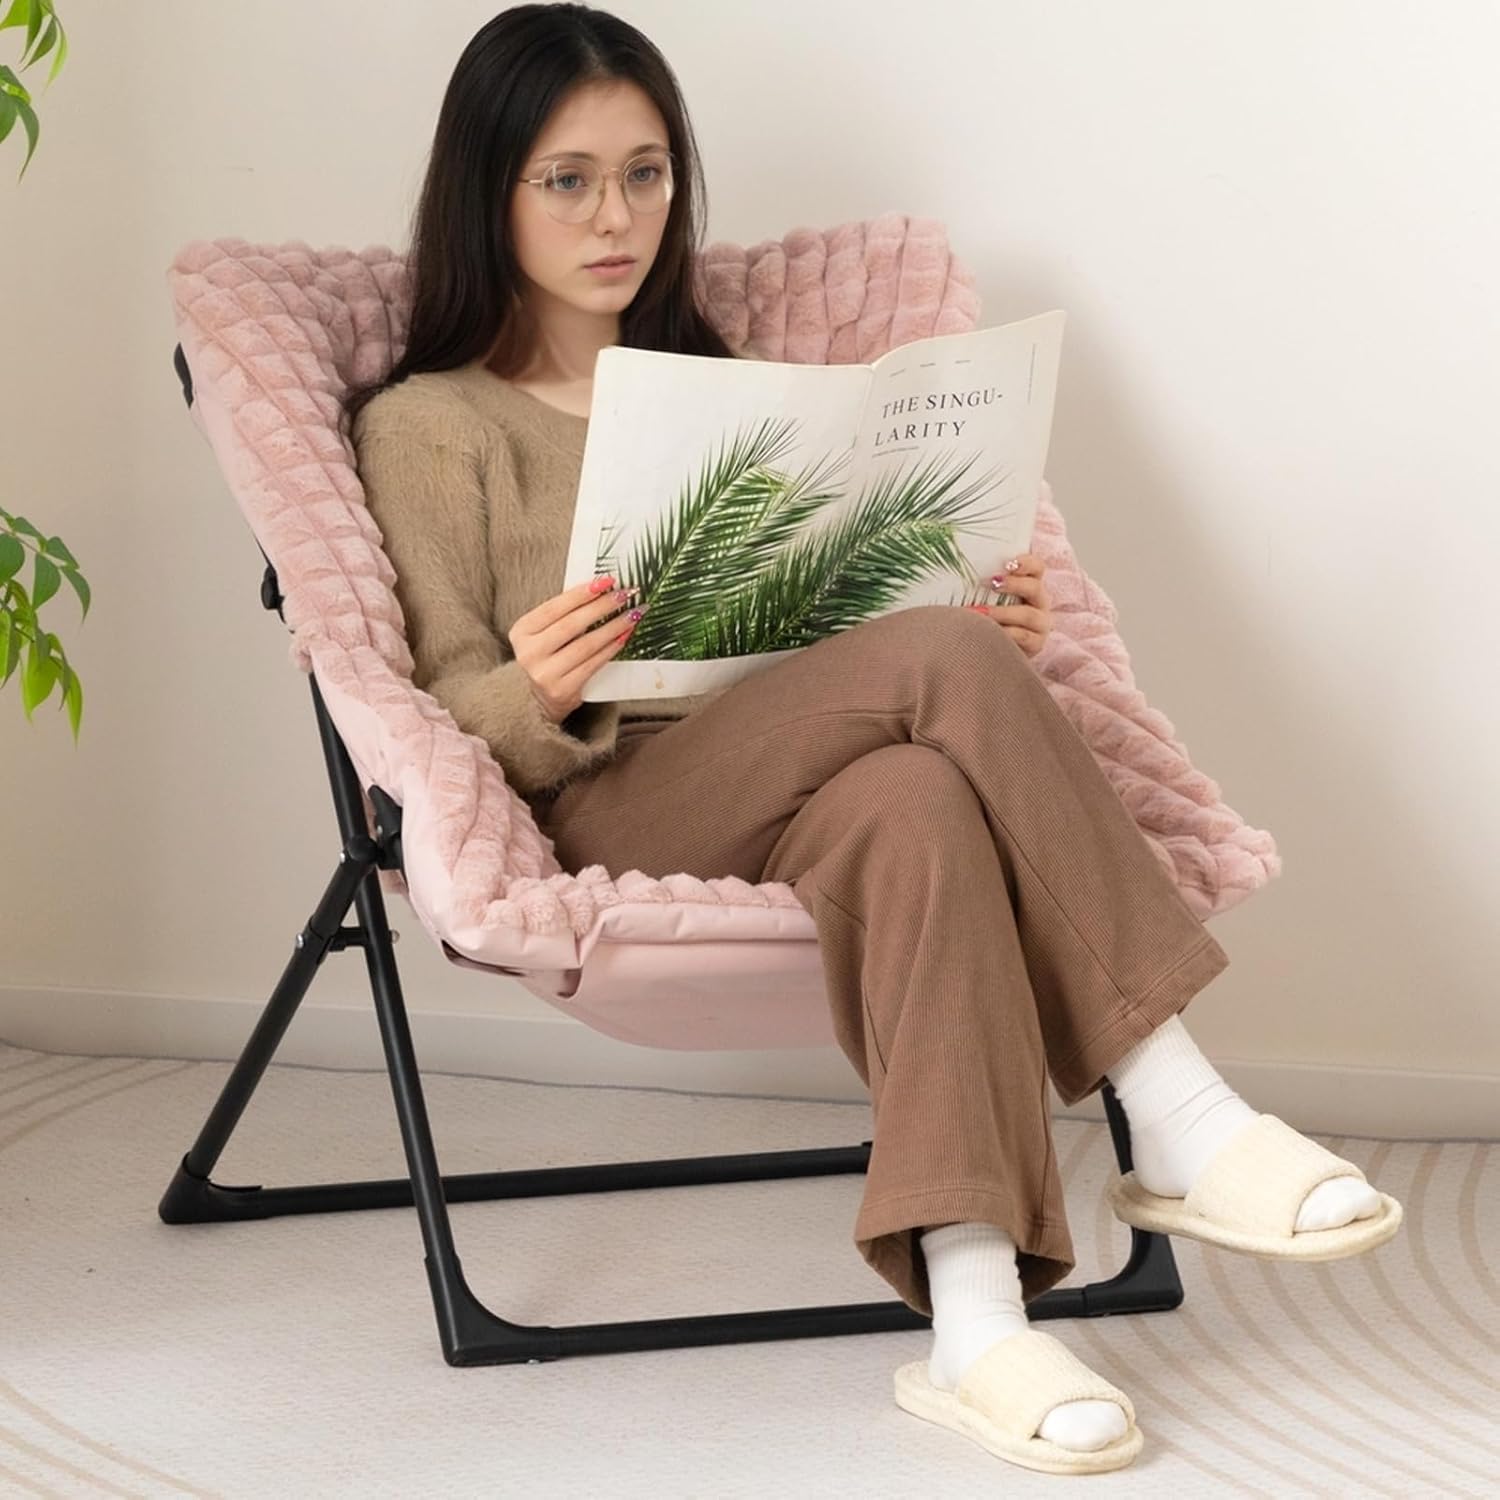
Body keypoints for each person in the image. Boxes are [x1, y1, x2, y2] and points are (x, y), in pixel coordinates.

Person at [346, 3, 1400, 1476]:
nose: (618, 216)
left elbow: (858, 620)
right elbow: (432, 720)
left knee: (917, 800)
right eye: (566, 179)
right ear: (490, 193)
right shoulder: (430, 423)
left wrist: (978, 623)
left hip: (824, 766)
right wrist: (528, 680)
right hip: (620, 799)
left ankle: (977, 1326)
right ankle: (1176, 1104)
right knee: (927, 691)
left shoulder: (734, 388)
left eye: (646, 174)